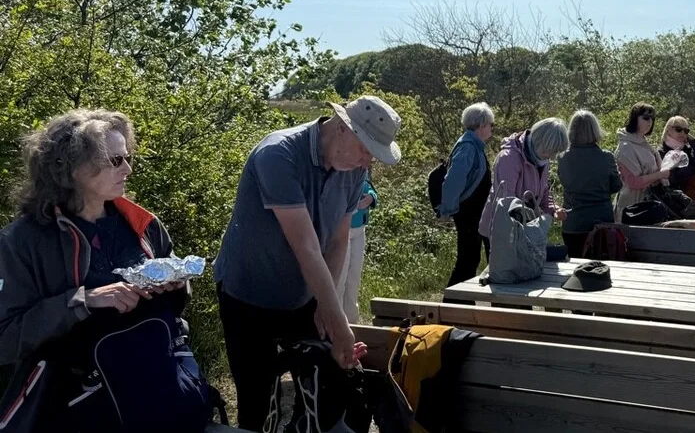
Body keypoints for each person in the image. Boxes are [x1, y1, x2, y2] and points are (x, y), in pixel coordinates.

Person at [213, 95, 399, 431]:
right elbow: (306, 247)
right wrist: (339, 322)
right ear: (342, 127)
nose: (367, 159)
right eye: (365, 147)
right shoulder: (279, 154)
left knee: (325, 387)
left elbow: (338, 239)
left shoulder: (354, 169)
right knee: (258, 401)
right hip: (248, 295)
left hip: (303, 294)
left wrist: (322, 307)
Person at [0, 110, 191, 429]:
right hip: (70, 408)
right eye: (115, 161)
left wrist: (175, 285)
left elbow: (174, 310)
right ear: (71, 167)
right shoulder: (22, 242)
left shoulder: (143, 226)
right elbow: (5, 340)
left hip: (152, 392)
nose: (127, 169)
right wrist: (82, 301)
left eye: (127, 157)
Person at [478, 117, 569, 241]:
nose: (551, 157)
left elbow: (543, 192)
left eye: (555, 153)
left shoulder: (541, 157)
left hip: (527, 229)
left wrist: (554, 209)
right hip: (502, 231)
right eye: (549, 151)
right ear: (538, 141)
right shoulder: (509, 158)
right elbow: (505, 202)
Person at [437, 102, 494, 289]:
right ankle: (450, 308)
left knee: (470, 261)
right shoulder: (468, 147)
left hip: (474, 216)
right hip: (469, 216)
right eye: (491, 124)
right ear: (482, 125)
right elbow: (453, 181)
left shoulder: (473, 145)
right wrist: (447, 210)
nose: (491, 129)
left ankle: (460, 307)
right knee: (467, 262)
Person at [557, 110, 622, 257]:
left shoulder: (562, 157)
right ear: (595, 130)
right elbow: (617, 186)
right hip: (601, 222)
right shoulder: (606, 157)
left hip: (572, 223)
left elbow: (564, 182)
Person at [614, 103, 672, 222]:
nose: (649, 122)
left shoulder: (644, 143)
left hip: (648, 201)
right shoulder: (626, 147)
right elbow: (633, 182)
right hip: (632, 207)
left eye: (652, 118)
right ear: (635, 118)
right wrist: (660, 175)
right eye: (645, 118)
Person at [337, 178, 376, 323]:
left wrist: (371, 198)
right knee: (340, 279)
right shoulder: (338, 171)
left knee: (354, 278)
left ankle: (353, 322)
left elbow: (370, 188)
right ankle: (337, 324)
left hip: (359, 230)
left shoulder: (361, 170)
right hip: (341, 231)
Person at [659, 116, 695, 206]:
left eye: (686, 131)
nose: (682, 133)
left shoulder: (686, 149)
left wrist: (693, 141)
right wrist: (693, 167)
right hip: (674, 201)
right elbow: (673, 178)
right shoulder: (662, 152)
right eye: (678, 129)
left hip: (691, 201)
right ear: (668, 130)